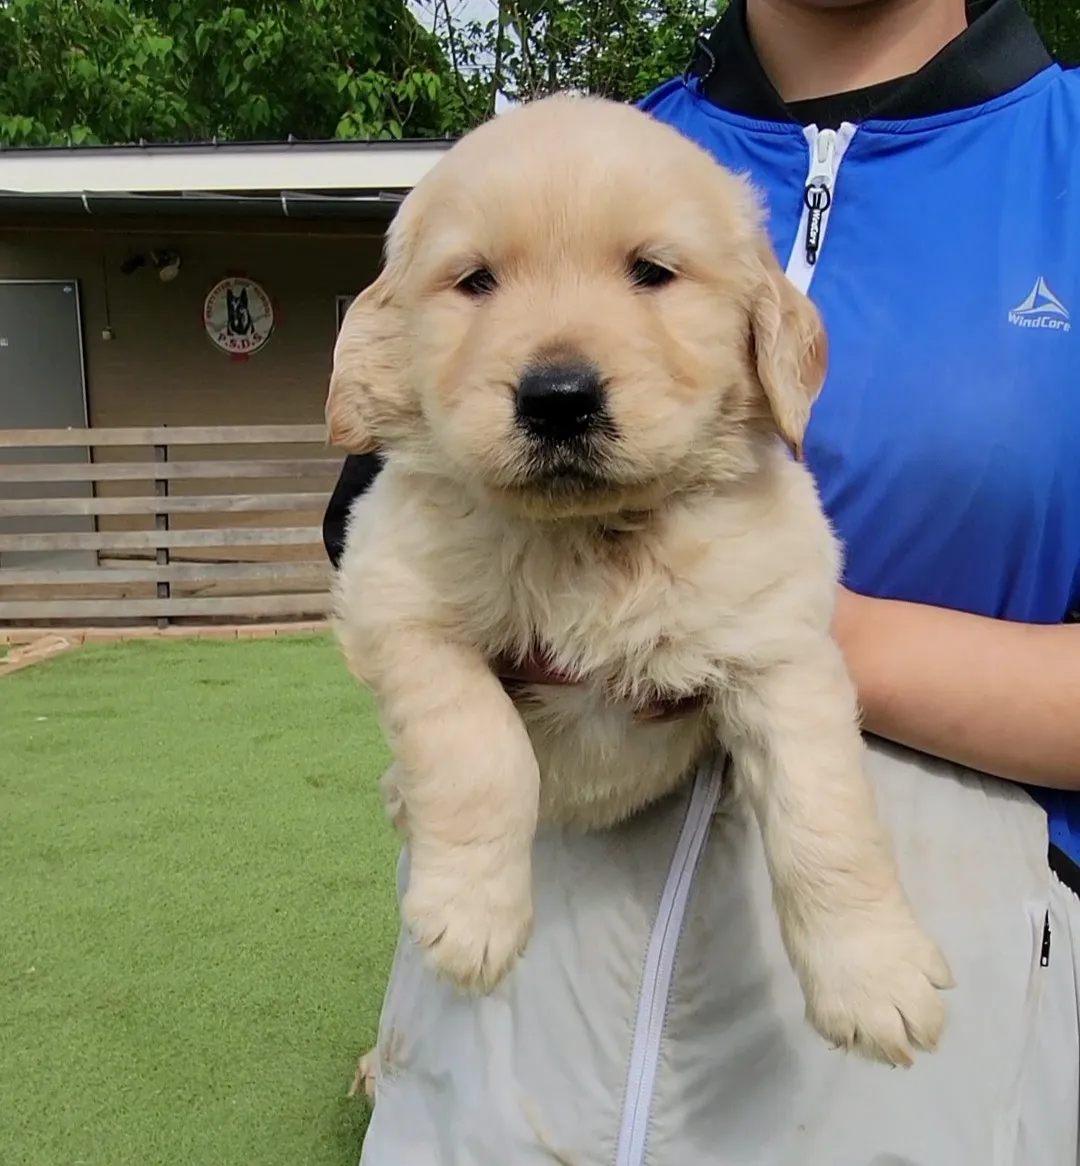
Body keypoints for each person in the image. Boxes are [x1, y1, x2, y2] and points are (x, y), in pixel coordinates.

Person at [324, 0, 1080, 1160]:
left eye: (650, 272)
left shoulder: (1063, 162)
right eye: (479, 279)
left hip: (918, 1032)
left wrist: (772, 632)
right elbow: (379, 546)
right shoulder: (590, 146)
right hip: (520, 993)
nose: (560, 358)